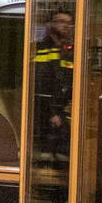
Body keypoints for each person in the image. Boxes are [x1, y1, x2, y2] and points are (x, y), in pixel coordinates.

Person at [32, 10, 74, 163]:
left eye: (68, 23)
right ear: (51, 25)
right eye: (61, 21)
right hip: (47, 113)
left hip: (62, 110)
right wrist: (52, 112)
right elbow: (40, 84)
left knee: (63, 156)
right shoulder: (44, 48)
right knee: (47, 155)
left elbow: (68, 79)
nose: (65, 26)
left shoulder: (68, 50)